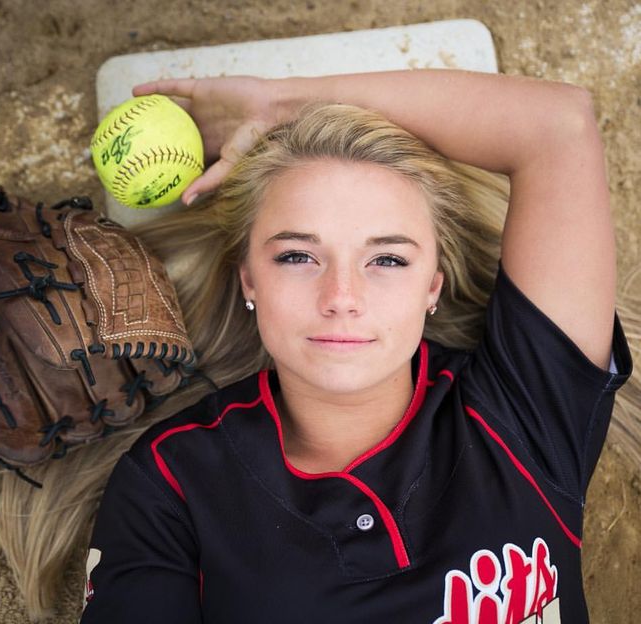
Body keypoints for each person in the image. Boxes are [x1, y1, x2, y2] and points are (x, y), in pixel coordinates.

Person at [74, 69, 633, 623]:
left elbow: (557, 124)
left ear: (431, 287)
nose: (342, 297)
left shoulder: (524, 409)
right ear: (249, 279)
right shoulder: (171, 480)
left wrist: (278, 102)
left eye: (387, 259)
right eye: (297, 256)